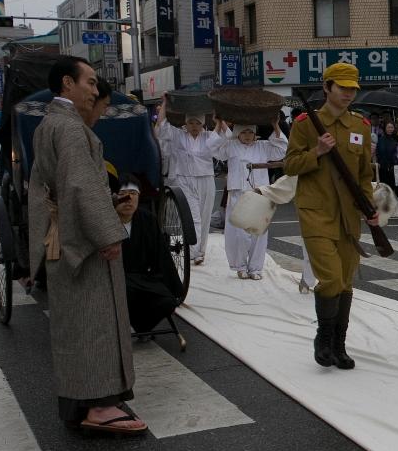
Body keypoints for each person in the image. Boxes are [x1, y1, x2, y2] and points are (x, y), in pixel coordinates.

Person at [28, 56, 145, 435]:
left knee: (75, 322)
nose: (96, 91)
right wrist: (109, 234)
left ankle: (85, 402)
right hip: (83, 238)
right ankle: (99, 405)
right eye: (91, 83)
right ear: (67, 84)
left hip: (62, 233)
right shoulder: (71, 129)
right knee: (94, 319)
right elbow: (81, 186)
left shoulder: (50, 124)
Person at [284, 62, 378, 370]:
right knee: (331, 277)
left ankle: (339, 345)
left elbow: (364, 175)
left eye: (353, 88)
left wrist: (370, 207)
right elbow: (291, 165)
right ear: (327, 88)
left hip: (349, 215)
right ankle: (323, 338)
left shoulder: (360, 127)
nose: (349, 93)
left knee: (346, 281)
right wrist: (317, 153)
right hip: (317, 212)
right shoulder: (305, 124)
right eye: (343, 87)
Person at [215, 119, 288, 280]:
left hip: (259, 194)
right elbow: (214, 150)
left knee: (259, 232)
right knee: (238, 233)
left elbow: (282, 149)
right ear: (237, 134)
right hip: (238, 193)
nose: (247, 136)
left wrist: (275, 125)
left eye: (250, 132)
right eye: (243, 132)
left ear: (255, 134)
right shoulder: (231, 145)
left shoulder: (263, 146)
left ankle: (255, 268)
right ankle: (240, 266)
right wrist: (219, 124)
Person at [156, 96, 224, 265]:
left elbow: (223, 139)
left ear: (203, 124)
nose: (194, 126)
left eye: (198, 123)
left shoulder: (209, 136)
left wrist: (218, 120)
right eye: (191, 123)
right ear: (186, 123)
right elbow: (161, 127)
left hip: (206, 180)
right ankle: (191, 252)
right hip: (184, 180)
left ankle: (200, 252)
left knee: (204, 216)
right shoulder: (178, 135)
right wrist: (164, 103)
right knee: (192, 217)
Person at [114, 174, 180, 336]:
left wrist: (174, 289)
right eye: (122, 195)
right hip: (115, 280)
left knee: (168, 301)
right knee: (127, 293)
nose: (128, 199)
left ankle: (141, 326)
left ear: (139, 197)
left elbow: (162, 257)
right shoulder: (106, 222)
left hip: (143, 278)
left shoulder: (147, 219)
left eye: (133, 194)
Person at [376, 120, 398, 195]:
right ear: (385, 128)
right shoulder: (380, 140)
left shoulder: (395, 140)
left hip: (393, 169)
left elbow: (397, 154)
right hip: (383, 169)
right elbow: (378, 153)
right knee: (384, 189)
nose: (390, 129)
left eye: (392, 127)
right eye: (388, 127)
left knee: (392, 190)